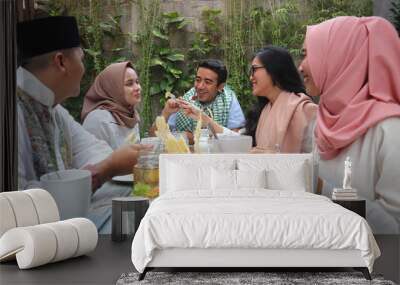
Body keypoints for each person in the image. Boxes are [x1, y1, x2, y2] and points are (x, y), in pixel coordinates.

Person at [17, 16, 150, 231]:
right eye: (81, 59)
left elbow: (93, 150)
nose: (84, 69)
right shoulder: (13, 111)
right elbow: (17, 202)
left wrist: (118, 161)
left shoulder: (55, 111)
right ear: (61, 62)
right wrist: (108, 168)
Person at [299, 16, 400, 234]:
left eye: (307, 54)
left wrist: (321, 188)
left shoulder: (390, 131)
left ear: (337, 57)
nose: (300, 66)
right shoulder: (320, 122)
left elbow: (394, 229)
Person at [245, 46, 317, 153]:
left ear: (274, 69)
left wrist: (274, 156)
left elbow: (317, 158)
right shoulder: (264, 110)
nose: (251, 77)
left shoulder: (306, 110)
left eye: (254, 69)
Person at [153, 59, 245, 142]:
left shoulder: (229, 99)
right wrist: (166, 113)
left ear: (220, 86)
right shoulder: (184, 101)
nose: (200, 86)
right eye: (198, 80)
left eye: (208, 82)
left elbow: (236, 138)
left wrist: (192, 137)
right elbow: (154, 137)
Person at [81, 61, 141, 149]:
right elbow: (91, 161)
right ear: (113, 88)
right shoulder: (98, 120)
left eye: (137, 82)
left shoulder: (130, 114)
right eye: (129, 83)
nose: (138, 87)